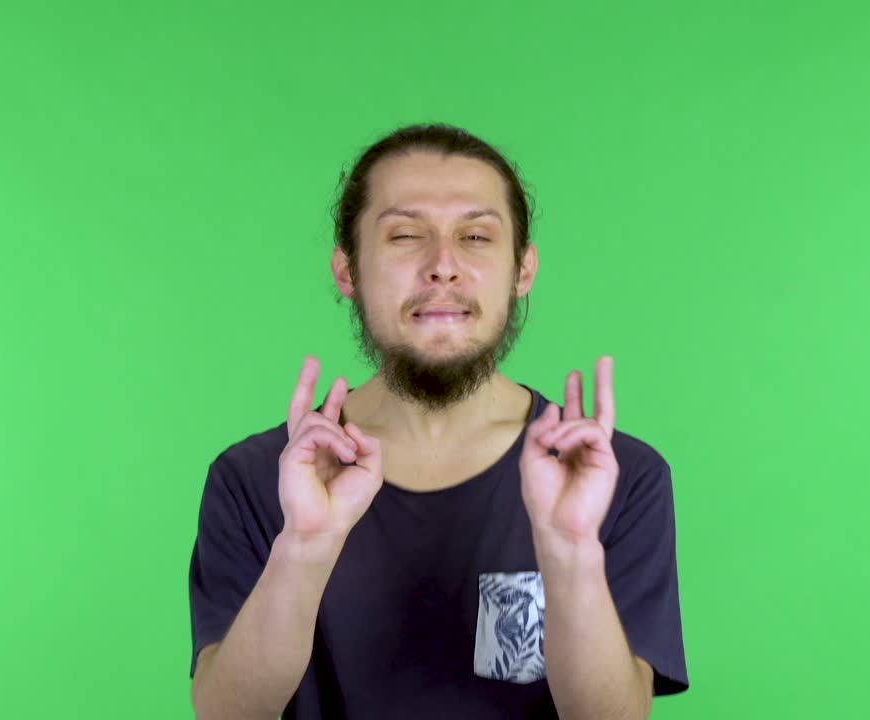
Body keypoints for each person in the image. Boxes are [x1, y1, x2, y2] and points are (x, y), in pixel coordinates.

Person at [188, 123, 689, 719]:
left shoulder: (613, 476)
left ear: (522, 270)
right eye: (405, 235)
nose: (443, 266)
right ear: (347, 271)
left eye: (476, 236)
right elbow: (225, 714)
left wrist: (571, 551)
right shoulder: (255, 477)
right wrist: (303, 546)